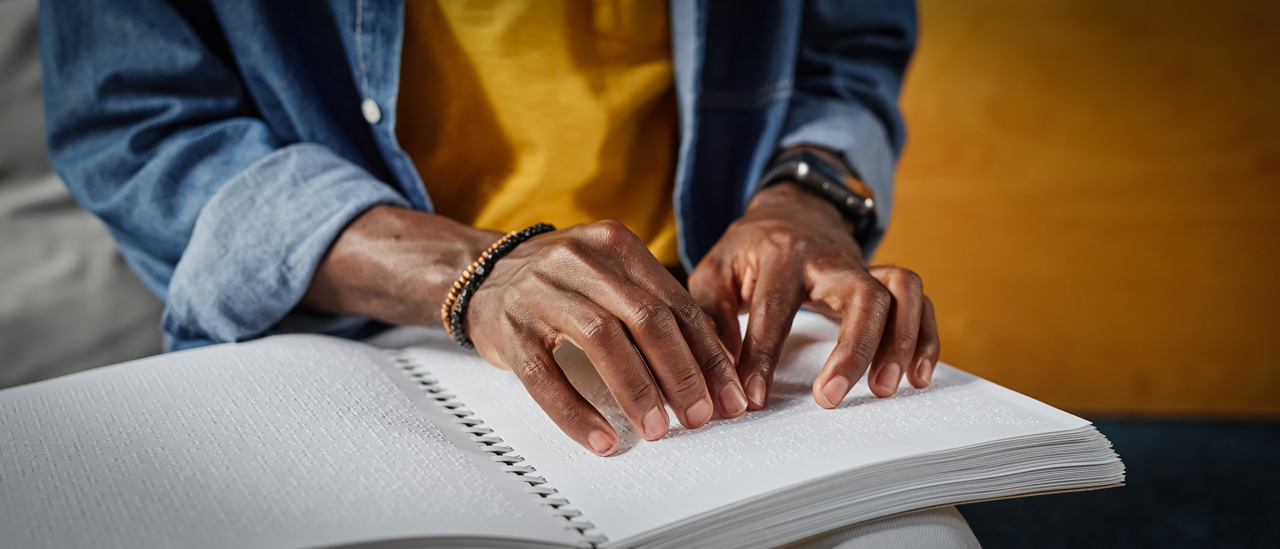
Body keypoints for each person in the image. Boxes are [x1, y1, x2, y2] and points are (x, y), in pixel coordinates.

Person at [42, 0, 935, 455]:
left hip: (710, 330)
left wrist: (807, 195)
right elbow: (134, 122)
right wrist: (474, 272)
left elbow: (846, 48)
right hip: (340, 331)